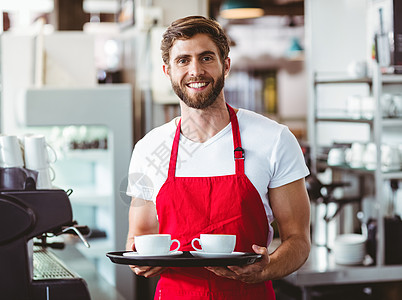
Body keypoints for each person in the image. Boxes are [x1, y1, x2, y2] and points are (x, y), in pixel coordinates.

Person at [126, 15, 311, 299]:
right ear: (167, 71)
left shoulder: (274, 139)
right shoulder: (148, 148)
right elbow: (139, 238)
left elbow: (298, 241)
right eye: (183, 60)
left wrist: (266, 268)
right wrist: (140, 261)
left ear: (226, 65)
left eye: (206, 58)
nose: (195, 70)